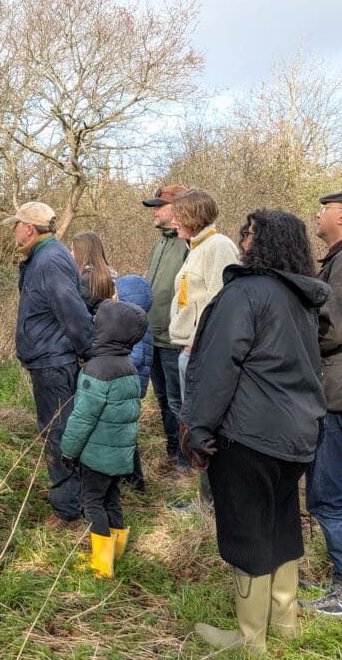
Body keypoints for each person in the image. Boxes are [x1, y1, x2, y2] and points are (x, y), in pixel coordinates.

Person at [180, 209, 329, 656]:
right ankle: (284, 626)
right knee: (282, 527)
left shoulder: (245, 293)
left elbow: (214, 368)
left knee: (247, 534)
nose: (243, 240)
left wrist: (198, 429)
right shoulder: (300, 297)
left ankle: (251, 642)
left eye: (249, 233)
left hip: (249, 435)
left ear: (261, 241)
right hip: (298, 435)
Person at [7, 201, 92, 527]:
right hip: (47, 359)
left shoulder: (50, 261)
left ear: (28, 228)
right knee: (57, 431)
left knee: (60, 434)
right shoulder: (41, 257)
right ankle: (72, 498)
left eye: (16, 224)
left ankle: (69, 509)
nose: (13, 230)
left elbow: (73, 311)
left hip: (53, 362)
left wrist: (88, 350)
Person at [60, 299, 148, 578]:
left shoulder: (95, 371)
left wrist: (68, 451)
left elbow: (82, 418)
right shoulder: (129, 366)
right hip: (120, 454)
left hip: (96, 455)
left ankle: (101, 565)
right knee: (112, 499)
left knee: (92, 503)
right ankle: (116, 552)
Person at [304, 189, 342, 619]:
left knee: (330, 497)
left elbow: (333, 330)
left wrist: (292, 341)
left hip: (340, 396)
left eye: (323, 209)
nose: (317, 215)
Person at [168, 188, 238, 501]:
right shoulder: (195, 247)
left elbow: (221, 303)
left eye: (178, 215)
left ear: (194, 216)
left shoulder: (218, 246)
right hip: (189, 351)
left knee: (205, 429)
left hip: (201, 354)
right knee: (193, 429)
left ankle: (212, 506)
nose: (172, 221)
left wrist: (198, 346)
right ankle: (206, 502)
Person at [142, 184, 189, 470]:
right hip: (152, 337)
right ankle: (173, 453)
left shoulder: (189, 243)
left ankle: (186, 463)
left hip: (176, 340)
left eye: (159, 205)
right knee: (163, 400)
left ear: (178, 208)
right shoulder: (159, 243)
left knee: (179, 403)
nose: (154, 210)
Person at [115, 275, 154, 493]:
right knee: (124, 434)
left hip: (128, 388)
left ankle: (136, 483)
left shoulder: (137, 325)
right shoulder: (139, 322)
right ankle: (130, 479)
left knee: (126, 437)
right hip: (131, 387)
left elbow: (136, 358)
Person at [71, 231, 117, 314]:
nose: (71, 253)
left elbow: (74, 312)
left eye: (73, 250)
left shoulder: (88, 279)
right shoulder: (106, 275)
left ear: (82, 253)